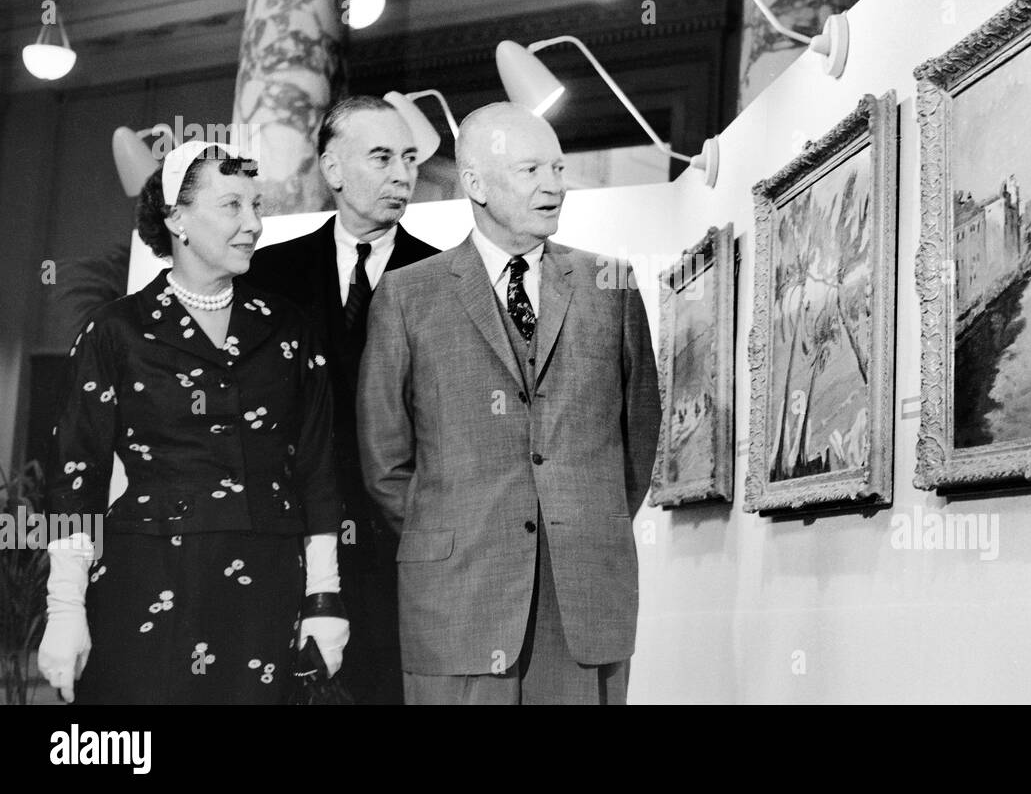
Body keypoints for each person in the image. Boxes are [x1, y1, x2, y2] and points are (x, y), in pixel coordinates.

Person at [358, 102, 661, 705]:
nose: (554, 185)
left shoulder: (613, 285)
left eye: (557, 167)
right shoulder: (407, 296)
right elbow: (384, 459)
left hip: (583, 598)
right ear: (474, 183)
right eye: (531, 170)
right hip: (456, 599)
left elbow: (640, 436)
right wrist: (452, 529)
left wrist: (577, 520)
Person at [38, 141, 348, 705]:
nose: (253, 223)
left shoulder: (287, 329)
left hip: (268, 581)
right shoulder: (117, 330)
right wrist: (64, 609)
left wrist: (324, 598)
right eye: (232, 205)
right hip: (144, 577)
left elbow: (318, 469)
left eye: (257, 205)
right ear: (176, 218)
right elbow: (73, 478)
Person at [244, 95, 438, 704]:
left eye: (409, 158)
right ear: (332, 170)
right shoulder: (266, 275)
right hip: (289, 544)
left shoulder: (445, 279)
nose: (402, 174)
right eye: (381, 157)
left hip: (402, 555)